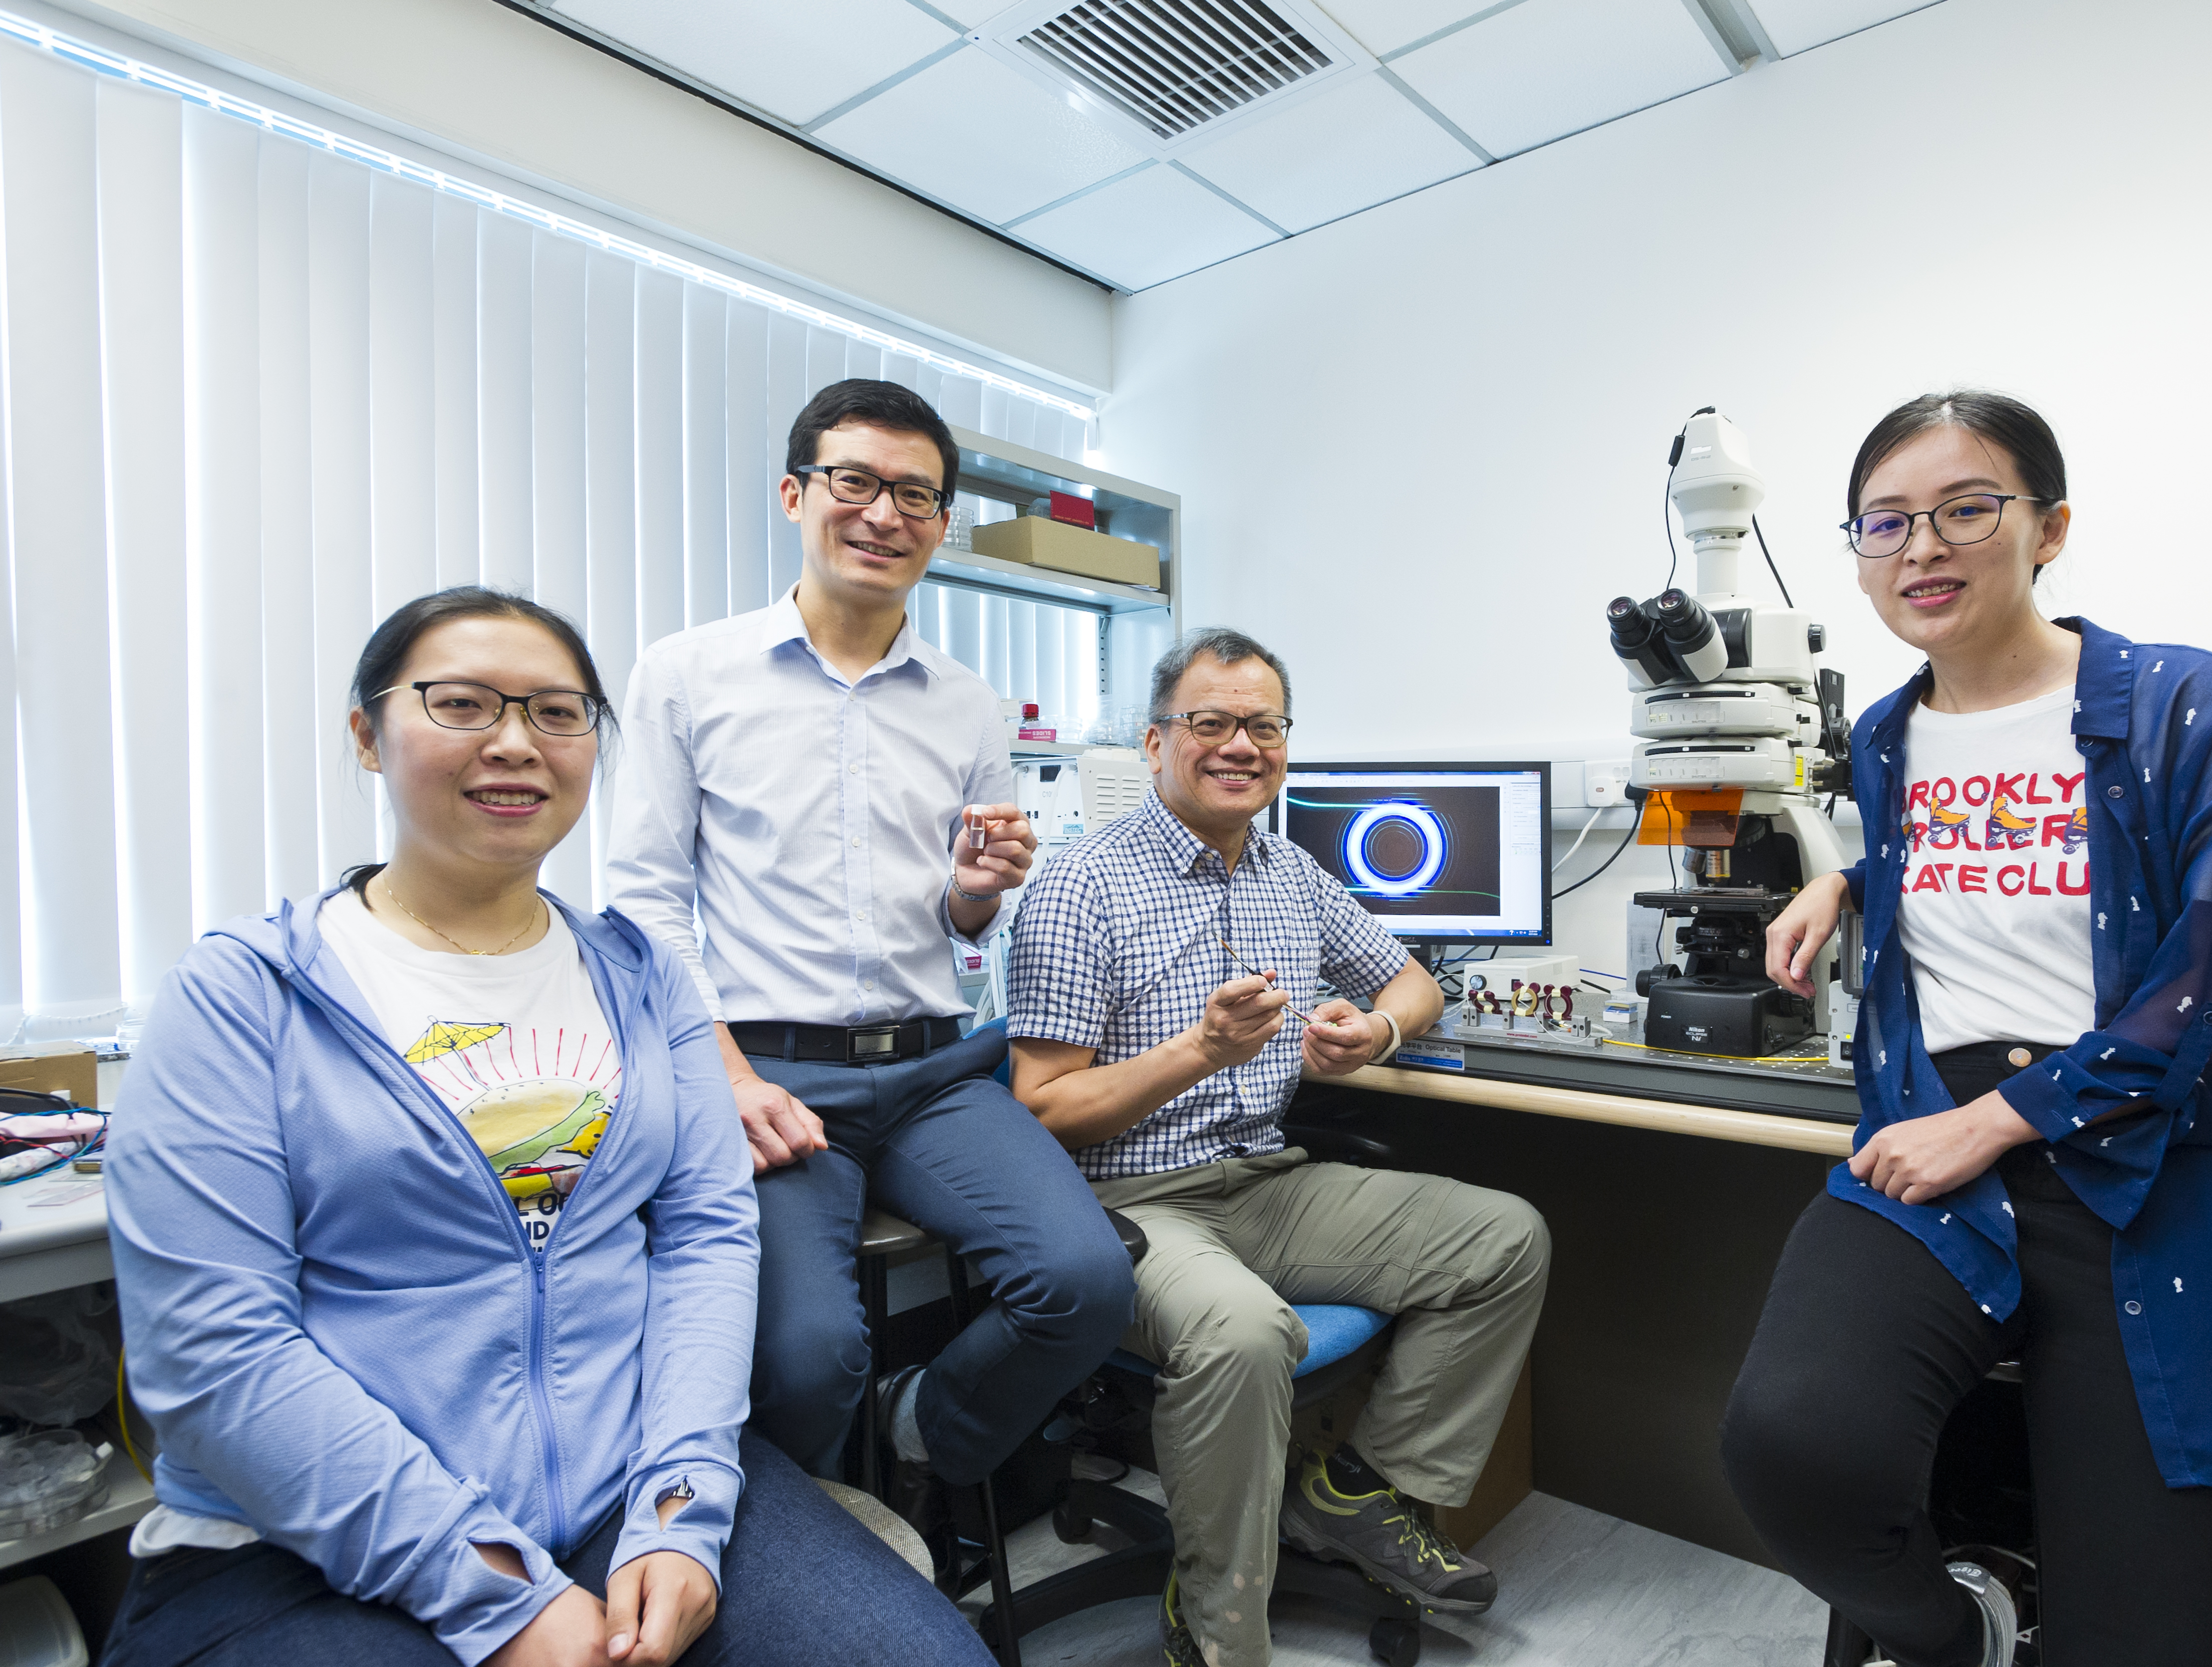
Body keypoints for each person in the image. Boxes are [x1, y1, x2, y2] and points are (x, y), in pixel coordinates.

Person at [101, 587, 988, 1667]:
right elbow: (212, 1352)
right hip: (301, 1537)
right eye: (463, 703)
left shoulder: (644, 976)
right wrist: (488, 1580)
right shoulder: (244, 992)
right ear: (366, 735)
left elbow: (707, 1242)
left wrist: (679, 1499)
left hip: (628, 1489)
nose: (516, 743)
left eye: (559, 713)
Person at [1720, 392, 2212, 1667]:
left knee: (2159, 1629)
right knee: (1794, 1449)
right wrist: (1849, 879)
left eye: (1965, 509)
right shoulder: (1884, 737)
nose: (1921, 548)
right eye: (1885, 522)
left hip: (2161, 1160)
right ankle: (1960, 1636)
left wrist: (2003, 1117)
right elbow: (1993, 864)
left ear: (2048, 528)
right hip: (1934, 1145)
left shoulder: (2183, 701)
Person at [603, 379, 1133, 1579]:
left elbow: (956, 933)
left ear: (942, 524)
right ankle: (801, 1568)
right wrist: (722, 1073)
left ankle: (924, 1441)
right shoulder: (688, 672)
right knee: (802, 1356)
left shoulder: (969, 702)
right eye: (854, 481)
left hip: (939, 1068)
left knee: (1085, 1280)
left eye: (915, 494)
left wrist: (979, 892)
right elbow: (644, 901)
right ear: (797, 494)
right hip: (771, 1070)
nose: (883, 512)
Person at [1006, 627, 1551, 1667]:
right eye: (1210, 721)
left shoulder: (1286, 869)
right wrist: (1198, 1050)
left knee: (1503, 1238)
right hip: (1131, 1198)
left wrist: (1376, 1032)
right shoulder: (1083, 884)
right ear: (1158, 740)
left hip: (1264, 1179)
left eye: (1262, 724)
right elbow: (1042, 1109)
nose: (1239, 743)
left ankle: (1353, 1493)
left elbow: (1413, 978)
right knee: (1247, 1333)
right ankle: (1219, 1628)